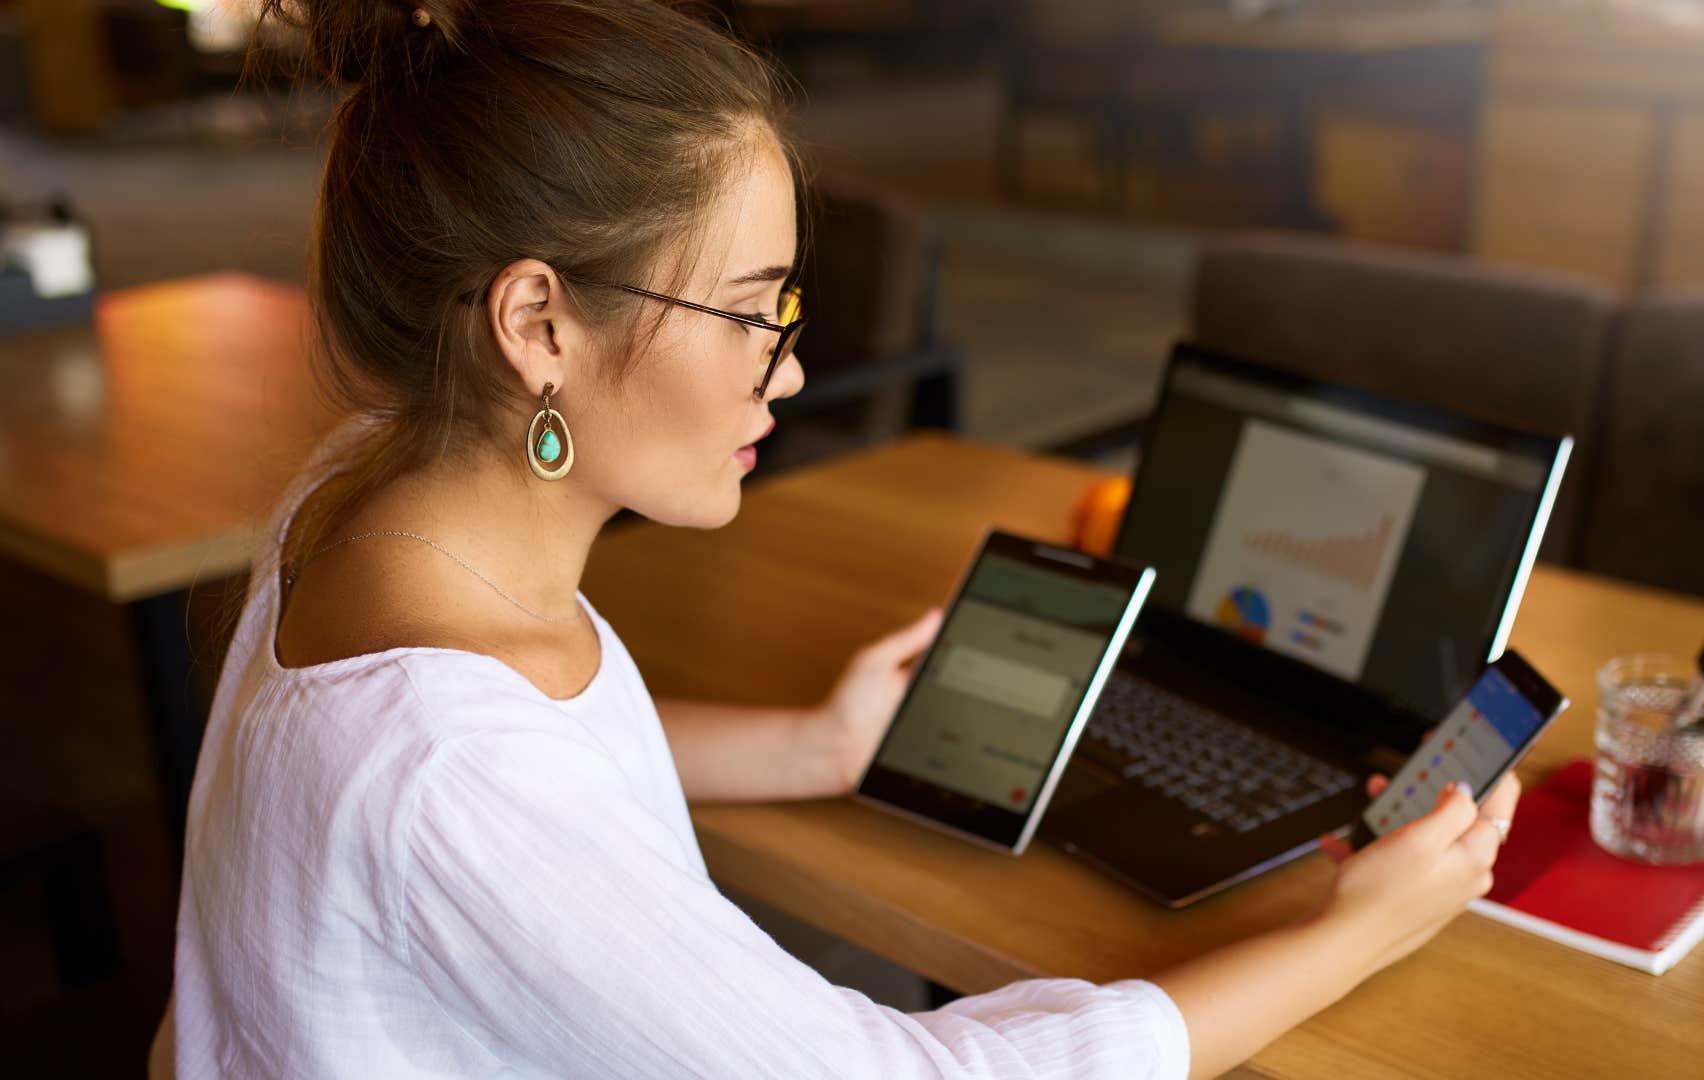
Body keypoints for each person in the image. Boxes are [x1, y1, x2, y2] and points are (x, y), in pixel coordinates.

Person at [153, 2, 1520, 1077]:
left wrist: (816, 746)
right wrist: (1359, 930)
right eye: (752, 315)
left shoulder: (363, 489)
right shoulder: (450, 771)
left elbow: (534, 756)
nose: (791, 370)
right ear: (537, 324)